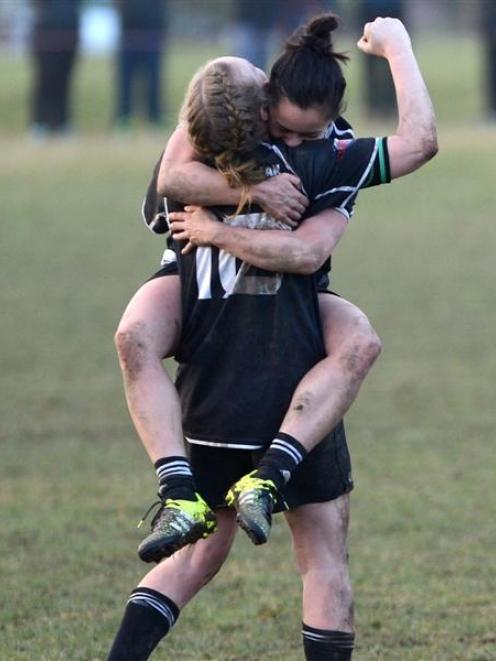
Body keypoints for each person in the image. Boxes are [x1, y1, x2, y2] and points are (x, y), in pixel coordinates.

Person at [108, 17, 437, 661]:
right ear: (261, 104)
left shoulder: (210, 141)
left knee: (199, 553)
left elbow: (181, 176)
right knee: (320, 553)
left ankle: (187, 487)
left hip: (213, 365)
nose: (284, 140)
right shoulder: (322, 156)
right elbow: (416, 144)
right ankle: (254, 473)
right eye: (277, 126)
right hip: (285, 360)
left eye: (299, 134)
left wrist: (220, 227)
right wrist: (396, 45)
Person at [30, 0, 81, 136]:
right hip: (46, 32)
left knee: (64, 80)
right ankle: (40, 122)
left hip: (69, 30)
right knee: (46, 79)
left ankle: (62, 122)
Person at [114, 0, 168, 129]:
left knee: (153, 80)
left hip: (152, 31)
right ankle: (123, 117)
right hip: (129, 32)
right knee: (126, 81)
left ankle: (155, 116)